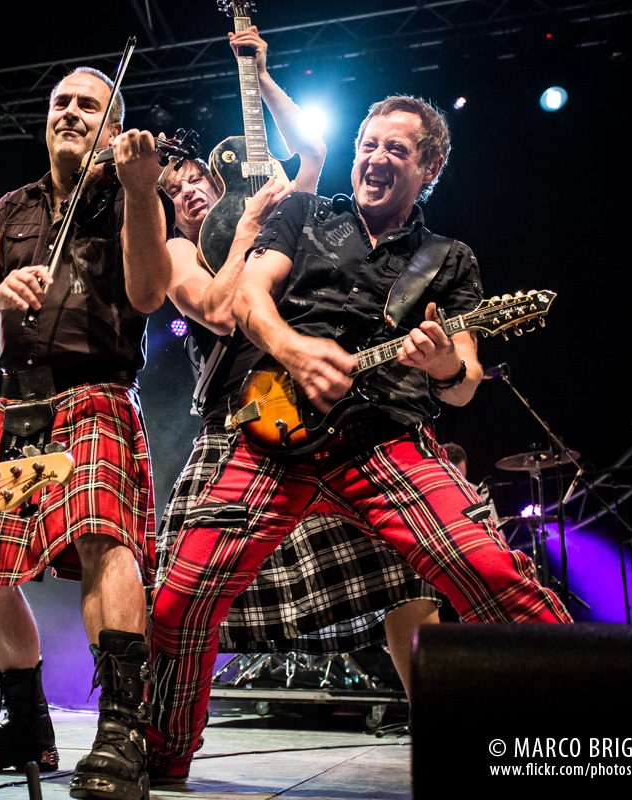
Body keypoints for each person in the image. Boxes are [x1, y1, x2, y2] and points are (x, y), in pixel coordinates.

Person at [146, 94, 572, 784]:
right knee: (177, 601)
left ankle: (600, 732)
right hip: (271, 436)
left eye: (396, 150)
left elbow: (463, 379)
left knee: (495, 573)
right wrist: (296, 349)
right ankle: (161, 759)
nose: (375, 158)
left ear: (430, 166)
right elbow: (248, 299)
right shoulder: (305, 213)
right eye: (369, 144)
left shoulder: (448, 258)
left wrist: (441, 366)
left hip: (382, 438)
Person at [153, 27, 440, 722]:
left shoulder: (286, 213)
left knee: (404, 581)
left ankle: (441, 727)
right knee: (183, 592)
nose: (190, 193)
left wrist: (260, 72)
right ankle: (159, 734)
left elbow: (311, 152)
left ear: (220, 179)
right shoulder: (177, 254)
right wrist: (248, 225)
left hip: (326, 411)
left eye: (197, 180)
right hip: (242, 419)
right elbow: (221, 313)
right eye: (175, 190)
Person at [0, 66, 170, 800]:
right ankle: (27, 726)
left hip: (96, 393)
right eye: (60, 102)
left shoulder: (133, 196)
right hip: (16, 406)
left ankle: (122, 732)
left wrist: (138, 189)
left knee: (107, 540)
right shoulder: (11, 210)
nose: (71, 113)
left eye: (89, 106)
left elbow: (146, 293)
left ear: (113, 127)